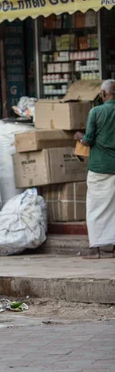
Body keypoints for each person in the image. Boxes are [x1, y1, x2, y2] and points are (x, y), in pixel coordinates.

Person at [74, 79, 115, 259]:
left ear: (104, 94)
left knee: (95, 208)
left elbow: (88, 140)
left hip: (100, 168)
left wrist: (79, 136)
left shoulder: (96, 112)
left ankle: (95, 249)